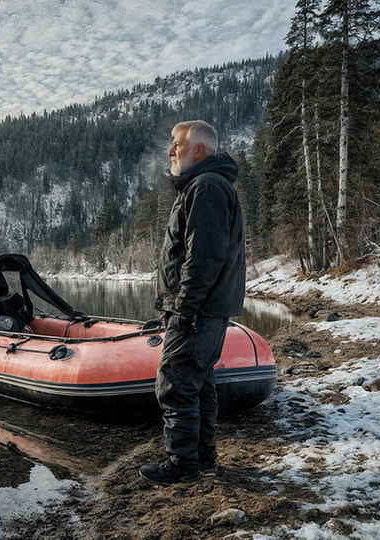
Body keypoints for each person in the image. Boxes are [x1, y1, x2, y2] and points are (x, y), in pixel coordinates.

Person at [139, 120, 246, 484]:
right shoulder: (205, 186)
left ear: (199, 150)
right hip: (203, 308)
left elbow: (203, 256)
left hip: (199, 309)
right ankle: (202, 460)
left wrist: (184, 306)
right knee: (199, 383)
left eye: (177, 144)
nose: (170, 151)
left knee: (175, 382)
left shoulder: (206, 187)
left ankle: (182, 465)